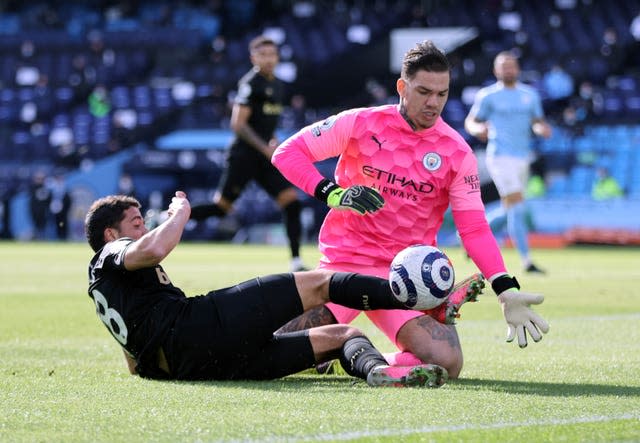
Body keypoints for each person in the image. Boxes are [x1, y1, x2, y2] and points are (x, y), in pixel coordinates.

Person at [271, 41, 549, 380]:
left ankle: (355, 354)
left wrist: (506, 290)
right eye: (423, 92)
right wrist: (331, 193)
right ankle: (335, 346)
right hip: (344, 267)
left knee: (448, 364)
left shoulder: (456, 154)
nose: (433, 103)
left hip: (403, 278)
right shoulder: (360, 123)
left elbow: (474, 228)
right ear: (402, 87)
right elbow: (287, 153)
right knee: (278, 350)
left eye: (442, 94)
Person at [84, 191, 448, 387]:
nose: (143, 229)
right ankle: (411, 295)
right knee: (321, 283)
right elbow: (154, 248)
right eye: (135, 223)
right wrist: (179, 213)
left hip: (192, 367)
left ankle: (376, 372)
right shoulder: (111, 252)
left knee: (343, 335)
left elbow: (133, 362)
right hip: (196, 330)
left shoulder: (105, 285)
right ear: (110, 235)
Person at [189, 35, 307, 271]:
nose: (269, 59)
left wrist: (271, 140)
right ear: (253, 57)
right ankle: (166, 218)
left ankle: (295, 261)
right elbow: (237, 124)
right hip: (244, 156)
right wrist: (265, 147)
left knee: (291, 204)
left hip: (264, 158)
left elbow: (264, 122)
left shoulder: (278, 85)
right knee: (221, 208)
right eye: (263, 54)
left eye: (272, 54)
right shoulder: (250, 83)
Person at [464, 51, 552, 274]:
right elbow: (471, 121)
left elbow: (537, 120)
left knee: (510, 208)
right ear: (496, 70)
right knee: (517, 206)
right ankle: (527, 261)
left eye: (511, 65)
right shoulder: (488, 95)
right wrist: (478, 130)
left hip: (523, 157)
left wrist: (540, 128)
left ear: (518, 69)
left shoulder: (529, 95)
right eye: (504, 66)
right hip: (499, 156)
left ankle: (470, 237)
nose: (508, 69)